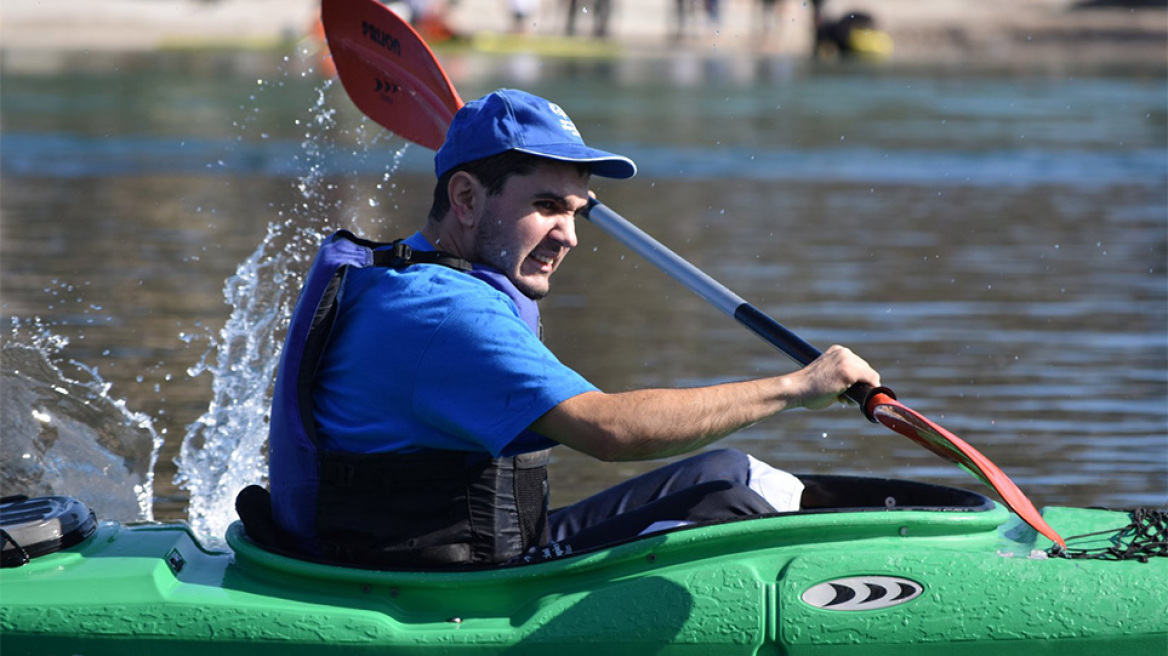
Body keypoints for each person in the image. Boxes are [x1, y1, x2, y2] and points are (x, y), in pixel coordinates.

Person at [265, 89, 881, 569]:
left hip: (482, 546)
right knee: (733, 511)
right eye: (547, 206)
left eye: (577, 210)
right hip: (443, 581)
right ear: (467, 198)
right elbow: (610, 432)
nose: (570, 236)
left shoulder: (424, 271)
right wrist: (798, 387)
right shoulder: (441, 311)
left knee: (735, 473)